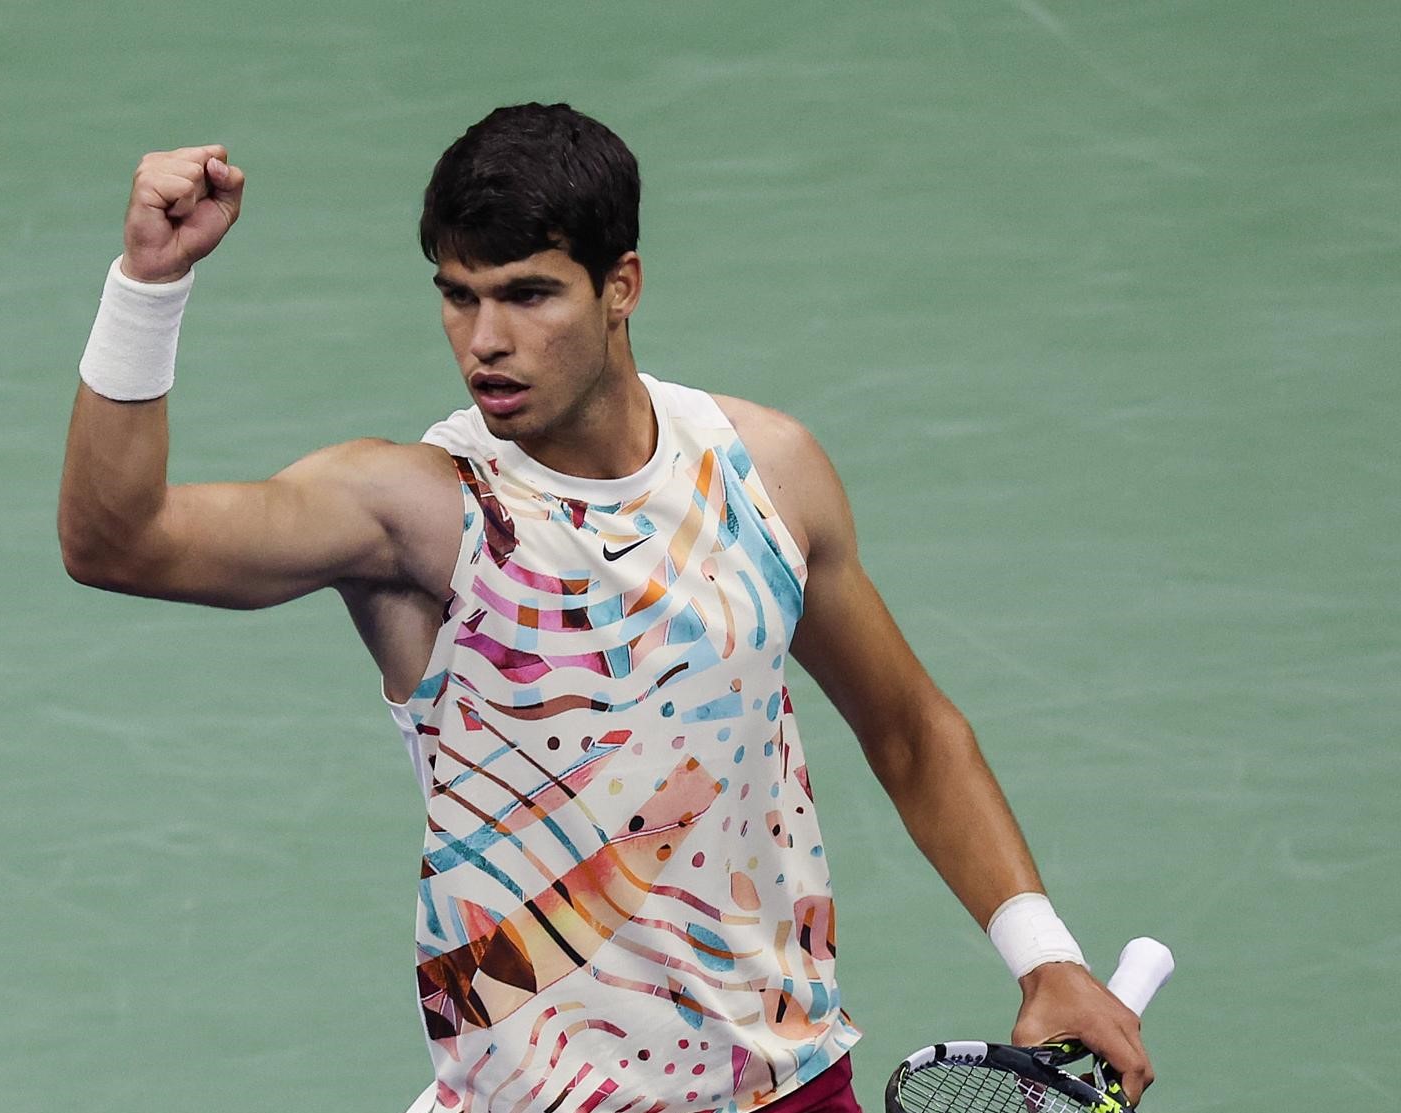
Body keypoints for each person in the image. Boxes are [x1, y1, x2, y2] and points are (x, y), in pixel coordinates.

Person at [57, 103, 1155, 1113]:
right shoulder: (422, 515)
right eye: (457, 293)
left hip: (790, 1084)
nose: (485, 338)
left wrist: (1044, 953)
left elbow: (911, 730)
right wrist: (148, 284)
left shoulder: (763, 471)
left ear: (620, 284)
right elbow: (118, 542)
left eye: (528, 293)